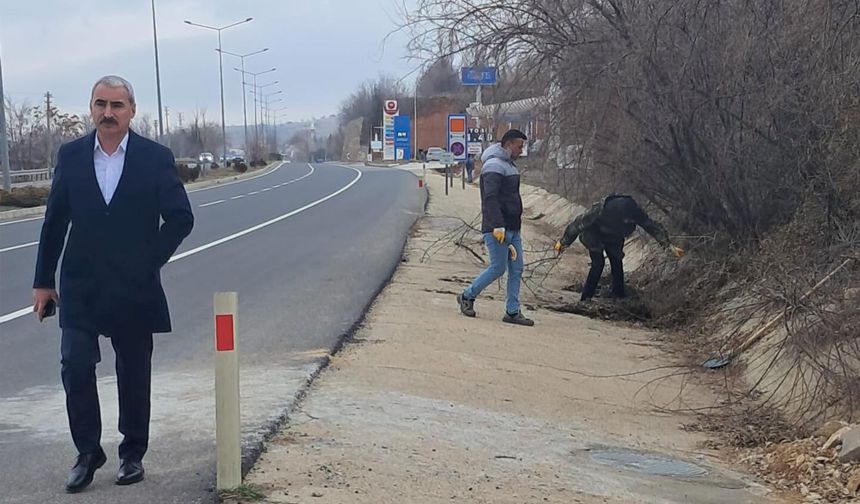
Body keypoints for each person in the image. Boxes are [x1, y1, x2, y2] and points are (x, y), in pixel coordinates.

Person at [32, 75, 194, 493]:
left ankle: (132, 453)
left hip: (133, 286)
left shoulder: (154, 158)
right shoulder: (71, 157)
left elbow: (181, 218)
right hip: (81, 284)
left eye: (116, 105)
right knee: (75, 365)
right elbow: (54, 222)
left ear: (132, 111)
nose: (108, 113)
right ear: (91, 109)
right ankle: (87, 453)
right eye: (100, 104)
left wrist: (148, 262)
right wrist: (43, 281)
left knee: (133, 370)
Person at [457, 129, 534, 326]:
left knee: (516, 269)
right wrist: (498, 225)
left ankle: (512, 311)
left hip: (513, 228)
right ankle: (467, 295)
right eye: (519, 146)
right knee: (498, 268)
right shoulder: (493, 166)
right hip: (497, 228)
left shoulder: (510, 165)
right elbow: (490, 198)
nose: (521, 150)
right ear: (508, 144)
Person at [554, 194, 684, 301]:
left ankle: (619, 296)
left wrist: (668, 245)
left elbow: (651, 226)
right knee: (598, 263)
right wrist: (563, 242)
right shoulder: (602, 209)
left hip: (614, 236)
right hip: (593, 233)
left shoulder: (634, 211)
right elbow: (578, 224)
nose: (627, 221)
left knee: (617, 261)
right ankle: (586, 297)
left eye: (629, 220)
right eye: (625, 219)